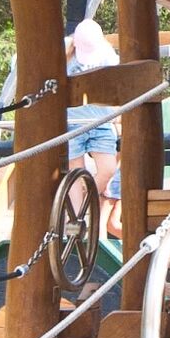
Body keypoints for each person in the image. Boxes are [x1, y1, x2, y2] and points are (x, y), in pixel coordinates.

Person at [63, 18, 122, 235]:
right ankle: (75, 222)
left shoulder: (107, 56)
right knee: (76, 172)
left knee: (108, 169)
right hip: (74, 122)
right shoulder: (65, 55)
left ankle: (84, 204)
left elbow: (118, 86)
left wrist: (118, 113)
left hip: (100, 121)